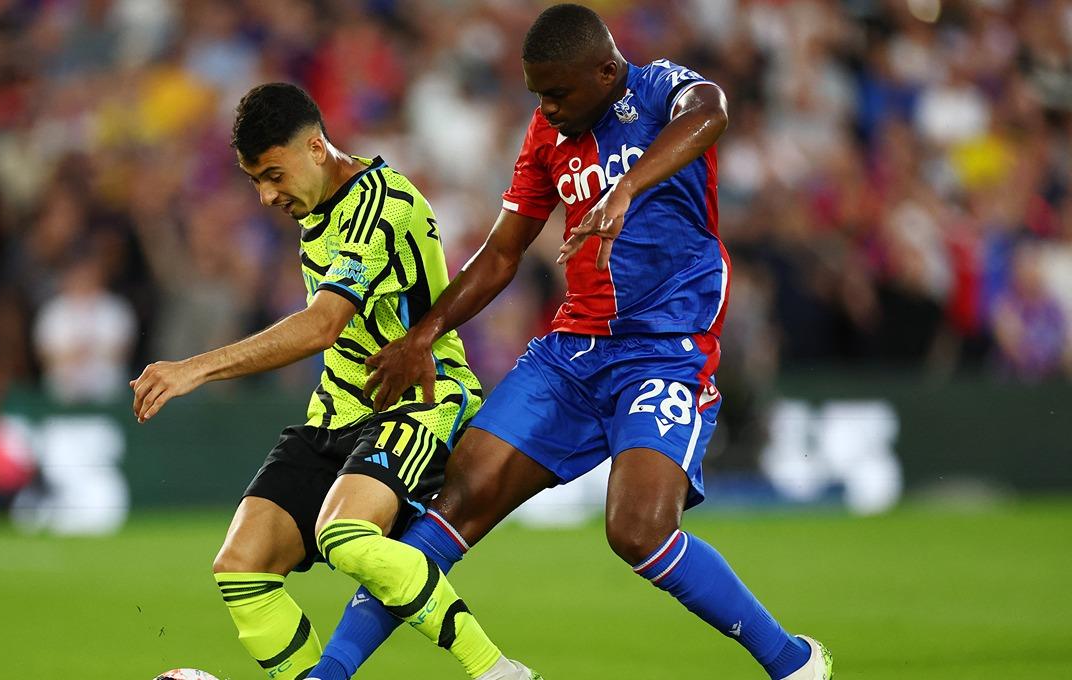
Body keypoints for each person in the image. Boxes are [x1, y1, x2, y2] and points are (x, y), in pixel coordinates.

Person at [310, 5, 833, 680]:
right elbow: (502, 254)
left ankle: (793, 663)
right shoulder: (544, 136)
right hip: (572, 352)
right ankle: (329, 674)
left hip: (665, 349)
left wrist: (626, 186)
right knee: (455, 501)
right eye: (536, 94)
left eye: (557, 92)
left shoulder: (658, 90)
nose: (546, 108)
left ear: (607, 71)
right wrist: (426, 331)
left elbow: (713, 112)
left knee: (639, 531)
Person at [130, 83, 540, 680]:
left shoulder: (378, 206)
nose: (267, 195)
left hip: (416, 407)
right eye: (254, 181)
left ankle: (497, 671)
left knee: (344, 535)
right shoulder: (318, 211)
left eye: (273, 174)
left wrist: (194, 367)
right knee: (240, 565)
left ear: (316, 148)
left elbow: (323, 325)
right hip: (336, 416)